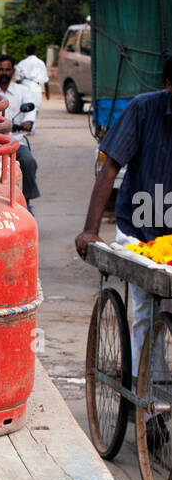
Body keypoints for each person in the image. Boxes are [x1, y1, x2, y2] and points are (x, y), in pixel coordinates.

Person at [76, 57, 172, 373]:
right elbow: (111, 167)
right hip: (139, 228)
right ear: (168, 85)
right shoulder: (143, 110)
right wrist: (90, 229)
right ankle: (146, 385)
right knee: (147, 307)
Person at [0, 53, 41, 211]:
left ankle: (26, 201)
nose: (4, 73)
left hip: (15, 142)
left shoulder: (24, 92)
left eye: (7, 70)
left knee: (28, 162)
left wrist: (26, 123)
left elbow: (30, 116)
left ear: (13, 71)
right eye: (1, 69)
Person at [16, 43, 50, 116]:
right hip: (36, 88)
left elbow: (18, 80)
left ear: (26, 52)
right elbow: (46, 80)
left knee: (24, 109)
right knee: (34, 109)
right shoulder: (41, 63)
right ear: (35, 52)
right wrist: (47, 93)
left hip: (24, 87)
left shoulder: (21, 63)